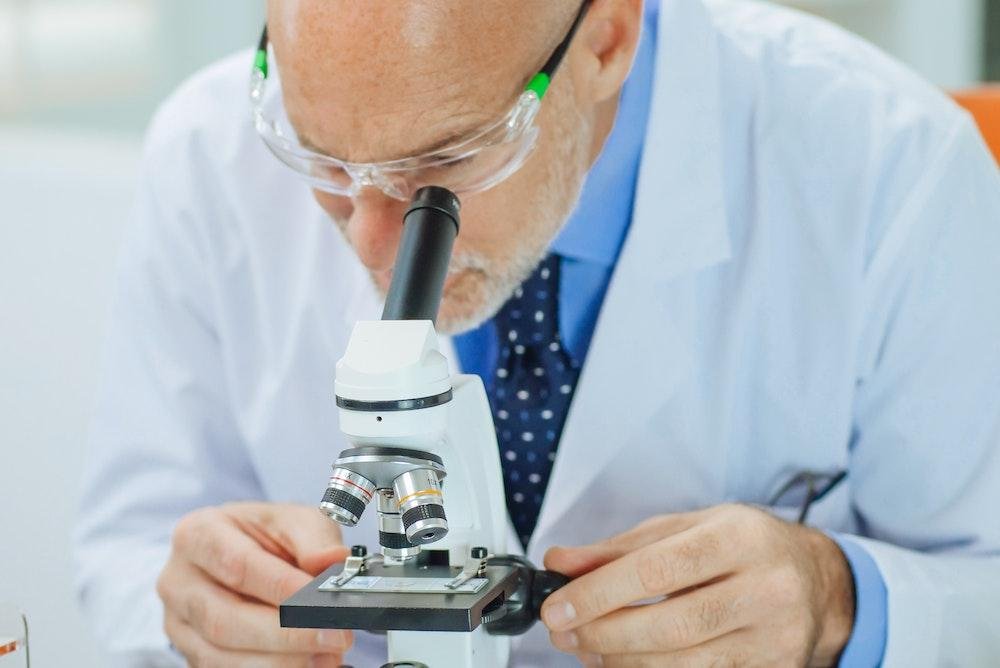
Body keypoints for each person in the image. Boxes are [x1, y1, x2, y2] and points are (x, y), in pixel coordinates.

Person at [73, 0, 1000, 666]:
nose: (371, 241)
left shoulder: (892, 168)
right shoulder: (203, 147)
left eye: (443, 164)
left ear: (606, 39)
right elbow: (129, 546)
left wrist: (840, 603)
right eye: (318, 159)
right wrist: (196, 601)